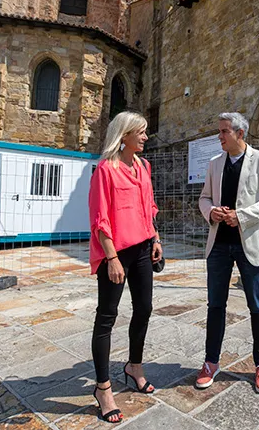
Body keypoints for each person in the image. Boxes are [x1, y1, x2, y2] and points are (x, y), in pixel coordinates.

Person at [196, 112, 259, 394]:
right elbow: (204, 197)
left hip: (250, 244)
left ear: (240, 133)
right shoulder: (214, 164)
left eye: (224, 131)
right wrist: (212, 211)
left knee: (257, 305)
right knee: (215, 305)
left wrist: (241, 216)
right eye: (219, 131)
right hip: (219, 245)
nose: (219, 136)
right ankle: (211, 362)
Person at [88, 111, 163, 424]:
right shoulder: (106, 169)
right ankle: (103, 388)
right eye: (140, 132)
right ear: (125, 135)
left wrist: (156, 238)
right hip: (116, 253)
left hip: (144, 248)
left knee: (144, 308)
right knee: (107, 316)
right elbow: (100, 218)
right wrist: (112, 258)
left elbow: (148, 207)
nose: (145, 137)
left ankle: (134, 366)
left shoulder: (143, 166)